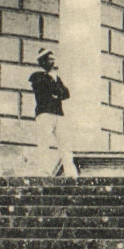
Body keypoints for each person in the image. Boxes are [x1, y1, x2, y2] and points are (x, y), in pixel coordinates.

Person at [29, 49, 77, 179]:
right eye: (50, 59)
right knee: (44, 143)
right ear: (43, 61)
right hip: (44, 113)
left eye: (53, 59)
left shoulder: (56, 77)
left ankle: (70, 173)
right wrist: (56, 92)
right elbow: (47, 91)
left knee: (65, 143)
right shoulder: (37, 76)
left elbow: (66, 93)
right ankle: (43, 172)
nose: (53, 62)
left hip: (58, 114)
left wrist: (56, 93)